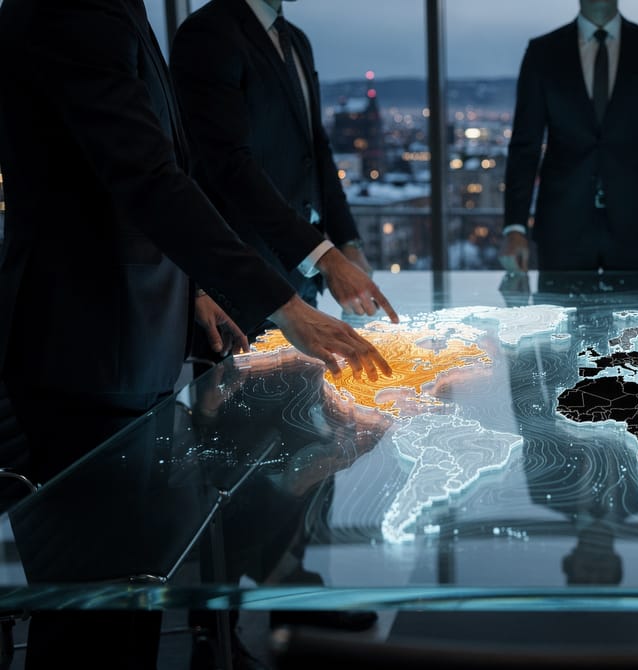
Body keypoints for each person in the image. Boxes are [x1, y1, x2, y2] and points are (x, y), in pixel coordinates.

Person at [0, 0, 391, 665]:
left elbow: (143, 172)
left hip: (122, 337)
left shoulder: (119, 10)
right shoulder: (73, 12)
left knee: (132, 602)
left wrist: (193, 292)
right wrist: (285, 306)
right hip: (83, 348)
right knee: (94, 624)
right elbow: (148, 180)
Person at [170, 0, 397, 335]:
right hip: (244, 281)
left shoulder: (295, 40)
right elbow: (230, 165)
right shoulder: (209, 32)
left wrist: (348, 242)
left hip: (301, 277)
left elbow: (316, 151)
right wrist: (326, 257)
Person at [501, 0, 638, 279]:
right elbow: (525, 146)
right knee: (562, 322)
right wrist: (515, 227)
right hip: (562, 228)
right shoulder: (542, 53)